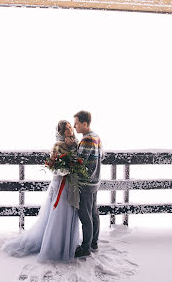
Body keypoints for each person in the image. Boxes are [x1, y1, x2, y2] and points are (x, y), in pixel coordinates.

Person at [2, 120, 80, 262]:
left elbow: (79, 160)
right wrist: (64, 170)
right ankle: (55, 248)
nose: (70, 130)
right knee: (59, 214)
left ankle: (68, 245)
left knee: (69, 214)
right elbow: (53, 167)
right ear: (61, 133)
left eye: (70, 127)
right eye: (66, 128)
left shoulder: (76, 143)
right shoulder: (57, 146)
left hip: (72, 184)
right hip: (60, 184)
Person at [73, 110, 102, 258]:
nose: (74, 126)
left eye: (77, 123)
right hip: (95, 181)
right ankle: (93, 243)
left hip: (86, 183)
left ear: (85, 123)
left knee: (85, 216)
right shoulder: (96, 137)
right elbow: (101, 156)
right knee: (93, 213)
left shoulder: (86, 140)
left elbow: (79, 162)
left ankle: (85, 248)